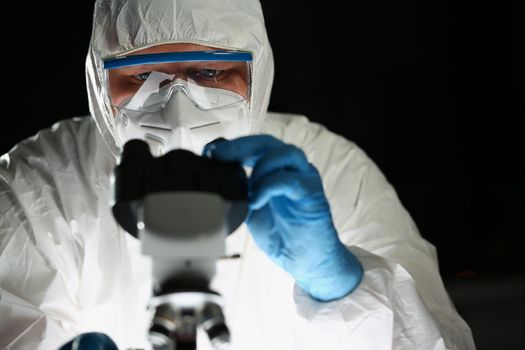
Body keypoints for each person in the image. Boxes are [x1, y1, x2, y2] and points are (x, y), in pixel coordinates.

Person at [0, 0, 475, 349]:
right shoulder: (37, 189)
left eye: (210, 74)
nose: (180, 111)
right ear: (101, 84)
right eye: (142, 77)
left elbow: (436, 342)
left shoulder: (329, 172)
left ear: (257, 73)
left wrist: (342, 285)